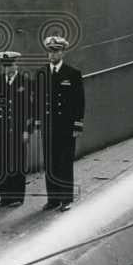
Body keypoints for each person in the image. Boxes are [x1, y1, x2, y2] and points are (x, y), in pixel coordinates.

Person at [37, 36, 85, 212]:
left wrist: (77, 124)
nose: (52, 54)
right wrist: (37, 120)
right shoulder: (41, 73)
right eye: (50, 51)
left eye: (55, 51)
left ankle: (66, 198)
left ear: (62, 52)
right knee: (50, 163)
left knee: (65, 162)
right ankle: (53, 199)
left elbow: (79, 101)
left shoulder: (72, 73)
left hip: (65, 126)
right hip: (49, 126)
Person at [0, 52, 33, 207]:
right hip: (1, 129)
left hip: (19, 130)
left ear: (16, 65)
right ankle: (5, 196)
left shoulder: (25, 82)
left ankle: (17, 197)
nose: (8, 68)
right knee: (2, 163)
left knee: (18, 163)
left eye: (10, 65)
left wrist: (27, 130)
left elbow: (30, 109)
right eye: (5, 65)